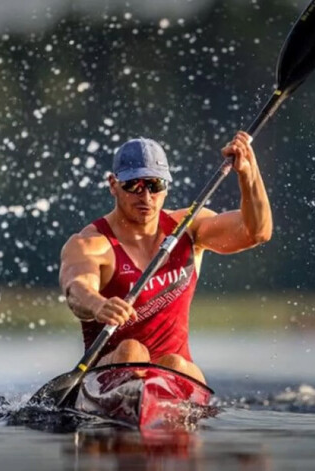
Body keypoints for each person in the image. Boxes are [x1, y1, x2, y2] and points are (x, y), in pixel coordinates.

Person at [59, 132, 272, 384]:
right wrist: (97, 305)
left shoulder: (189, 229)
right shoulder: (91, 243)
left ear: (166, 186)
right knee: (132, 350)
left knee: (175, 363)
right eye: (134, 185)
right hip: (110, 371)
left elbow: (257, 232)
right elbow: (76, 289)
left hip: (175, 373)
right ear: (113, 184)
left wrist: (248, 174)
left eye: (155, 185)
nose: (146, 197)